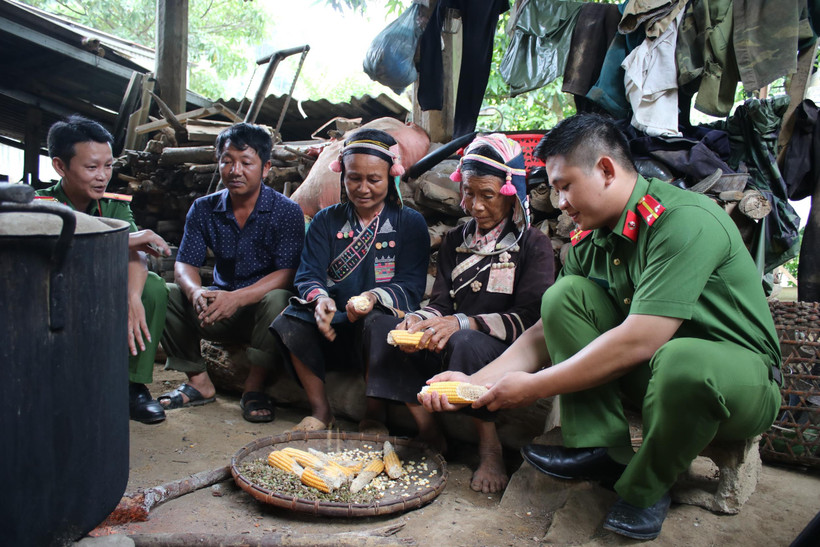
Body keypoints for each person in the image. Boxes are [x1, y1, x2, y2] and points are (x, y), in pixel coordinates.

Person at [419, 114, 782, 540]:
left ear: (606, 170)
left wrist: (533, 387)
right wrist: (474, 381)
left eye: (565, 186)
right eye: (554, 191)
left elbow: (639, 339)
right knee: (564, 296)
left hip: (736, 382)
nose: (560, 203)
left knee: (683, 360)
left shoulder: (683, 222)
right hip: (655, 372)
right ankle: (600, 446)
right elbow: (541, 333)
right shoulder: (593, 239)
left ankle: (646, 487)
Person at [364, 133, 554, 494]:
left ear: (511, 193)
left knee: (466, 340)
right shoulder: (456, 240)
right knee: (382, 326)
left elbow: (530, 318)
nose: (475, 205)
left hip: (500, 350)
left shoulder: (533, 244)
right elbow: (440, 304)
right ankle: (429, 431)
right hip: (452, 340)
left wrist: (461, 323)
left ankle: (489, 446)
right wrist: (419, 321)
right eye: (468, 192)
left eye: (488, 195)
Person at [270, 128, 430, 431]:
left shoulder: (409, 223)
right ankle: (321, 411)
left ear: (391, 176)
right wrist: (321, 300)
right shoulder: (325, 221)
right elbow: (308, 274)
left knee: (378, 324)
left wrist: (371, 299)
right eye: (354, 178)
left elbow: (411, 287)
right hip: (333, 326)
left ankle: (374, 414)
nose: (363, 188)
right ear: (342, 176)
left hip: (377, 329)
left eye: (374, 179)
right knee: (289, 319)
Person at [159, 122, 304, 423]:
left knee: (280, 299)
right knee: (166, 293)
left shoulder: (286, 211)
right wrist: (196, 291)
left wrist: (237, 298)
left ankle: (254, 387)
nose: (235, 170)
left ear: (265, 169)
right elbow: (185, 263)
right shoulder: (203, 208)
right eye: (227, 161)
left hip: (262, 316)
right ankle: (198, 380)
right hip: (218, 310)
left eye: (246, 162)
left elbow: (289, 272)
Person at [36, 114, 172, 425]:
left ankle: (132, 387)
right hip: (56, 289)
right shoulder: (40, 201)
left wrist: (133, 297)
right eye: (91, 167)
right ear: (60, 166)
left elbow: (137, 253)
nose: (102, 176)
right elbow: (68, 240)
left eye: (108, 166)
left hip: (104, 284)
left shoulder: (114, 203)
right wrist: (128, 238)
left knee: (152, 286)